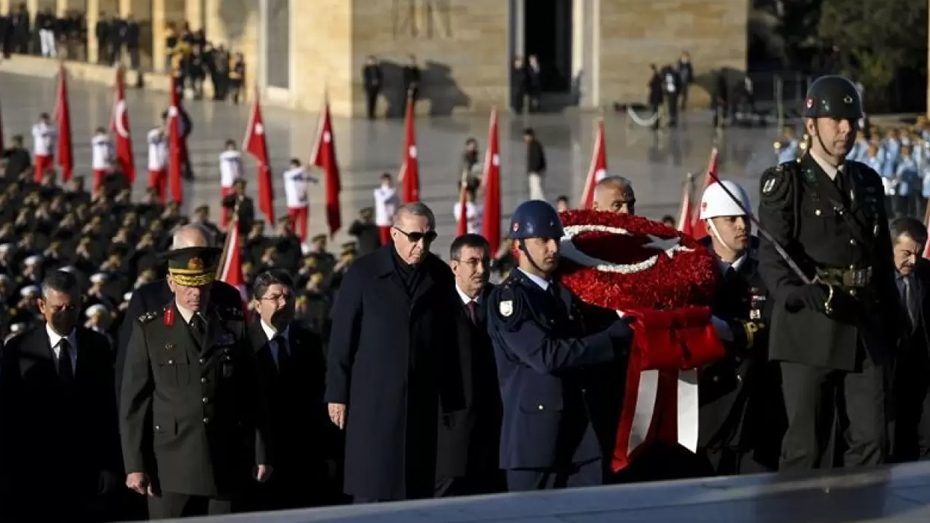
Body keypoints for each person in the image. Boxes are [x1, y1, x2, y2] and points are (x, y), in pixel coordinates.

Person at [756, 75, 899, 470]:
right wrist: (794, 293)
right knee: (806, 446)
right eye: (836, 119)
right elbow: (772, 253)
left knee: (872, 441)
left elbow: (881, 255)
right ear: (811, 123)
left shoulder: (867, 181)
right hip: (810, 324)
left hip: (865, 322)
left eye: (852, 120)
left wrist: (894, 316)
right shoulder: (787, 182)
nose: (846, 129)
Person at [486, 200, 634, 491]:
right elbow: (546, 356)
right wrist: (614, 339)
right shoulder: (510, 300)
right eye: (543, 240)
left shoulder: (566, 292)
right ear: (519, 246)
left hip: (581, 438)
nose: (553, 248)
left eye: (555, 239)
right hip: (536, 444)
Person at [325, 202, 465, 502]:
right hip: (373, 402)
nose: (421, 245)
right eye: (414, 236)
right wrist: (337, 392)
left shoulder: (439, 275)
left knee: (417, 486)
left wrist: (452, 397)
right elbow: (341, 337)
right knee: (373, 484)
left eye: (428, 237)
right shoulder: (364, 273)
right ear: (394, 234)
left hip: (421, 398)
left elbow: (450, 338)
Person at [119, 245, 272, 518]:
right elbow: (135, 401)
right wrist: (135, 465)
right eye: (188, 285)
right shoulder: (151, 329)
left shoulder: (233, 325)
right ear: (171, 282)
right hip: (170, 463)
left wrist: (260, 452)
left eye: (202, 285)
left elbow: (252, 394)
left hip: (224, 457)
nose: (196, 293)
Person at [0, 270, 122, 522]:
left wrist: (110, 466)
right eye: (58, 308)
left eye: (73, 307)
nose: (66, 315)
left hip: (87, 475)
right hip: (35, 475)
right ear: (42, 306)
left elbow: (108, 410)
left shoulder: (98, 346)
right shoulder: (19, 349)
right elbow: (8, 414)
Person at [695, 180, 784, 475]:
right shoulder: (690, 265)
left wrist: (733, 330)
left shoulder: (770, 264)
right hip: (710, 407)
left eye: (744, 218)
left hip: (759, 407)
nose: (741, 226)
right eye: (730, 219)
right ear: (709, 226)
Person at [116, 224, 246, 399]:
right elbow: (129, 374)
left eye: (207, 254)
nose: (198, 261)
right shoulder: (147, 300)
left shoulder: (228, 297)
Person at [243, 270, 337, 510]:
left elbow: (319, 396)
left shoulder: (309, 341)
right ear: (257, 303)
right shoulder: (241, 343)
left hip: (303, 458)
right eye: (275, 297)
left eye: (289, 297)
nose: (283, 303)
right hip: (260, 460)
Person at [435, 234, 505, 497]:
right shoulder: (436, 309)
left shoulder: (504, 302)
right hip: (452, 442)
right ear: (455, 267)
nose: (481, 269)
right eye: (473, 262)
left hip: (498, 435)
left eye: (485, 261)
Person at [888, 218, 930, 461]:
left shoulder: (925, 274)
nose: (912, 261)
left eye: (917, 253)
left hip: (920, 371)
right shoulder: (876, 278)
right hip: (887, 372)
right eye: (905, 253)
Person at [283, 158, 319, 243]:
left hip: (303, 203)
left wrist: (311, 176)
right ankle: (292, 240)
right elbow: (295, 173)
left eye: (296, 166)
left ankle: (303, 241)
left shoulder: (303, 175)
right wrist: (304, 168)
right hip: (293, 204)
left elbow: (315, 180)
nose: (295, 169)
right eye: (293, 167)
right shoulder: (287, 175)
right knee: (292, 224)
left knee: (304, 224)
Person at [218, 139, 244, 229]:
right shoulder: (224, 156)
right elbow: (232, 156)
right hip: (226, 184)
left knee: (237, 204)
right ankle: (224, 223)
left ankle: (236, 222)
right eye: (229, 147)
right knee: (226, 205)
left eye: (233, 147)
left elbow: (241, 169)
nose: (231, 149)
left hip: (236, 184)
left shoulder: (237, 157)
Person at [91, 127, 114, 194]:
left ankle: (96, 195)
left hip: (99, 166)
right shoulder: (108, 140)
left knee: (98, 185)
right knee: (105, 184)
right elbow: (112, 153)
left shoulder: (95, 140)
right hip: (105, 165)